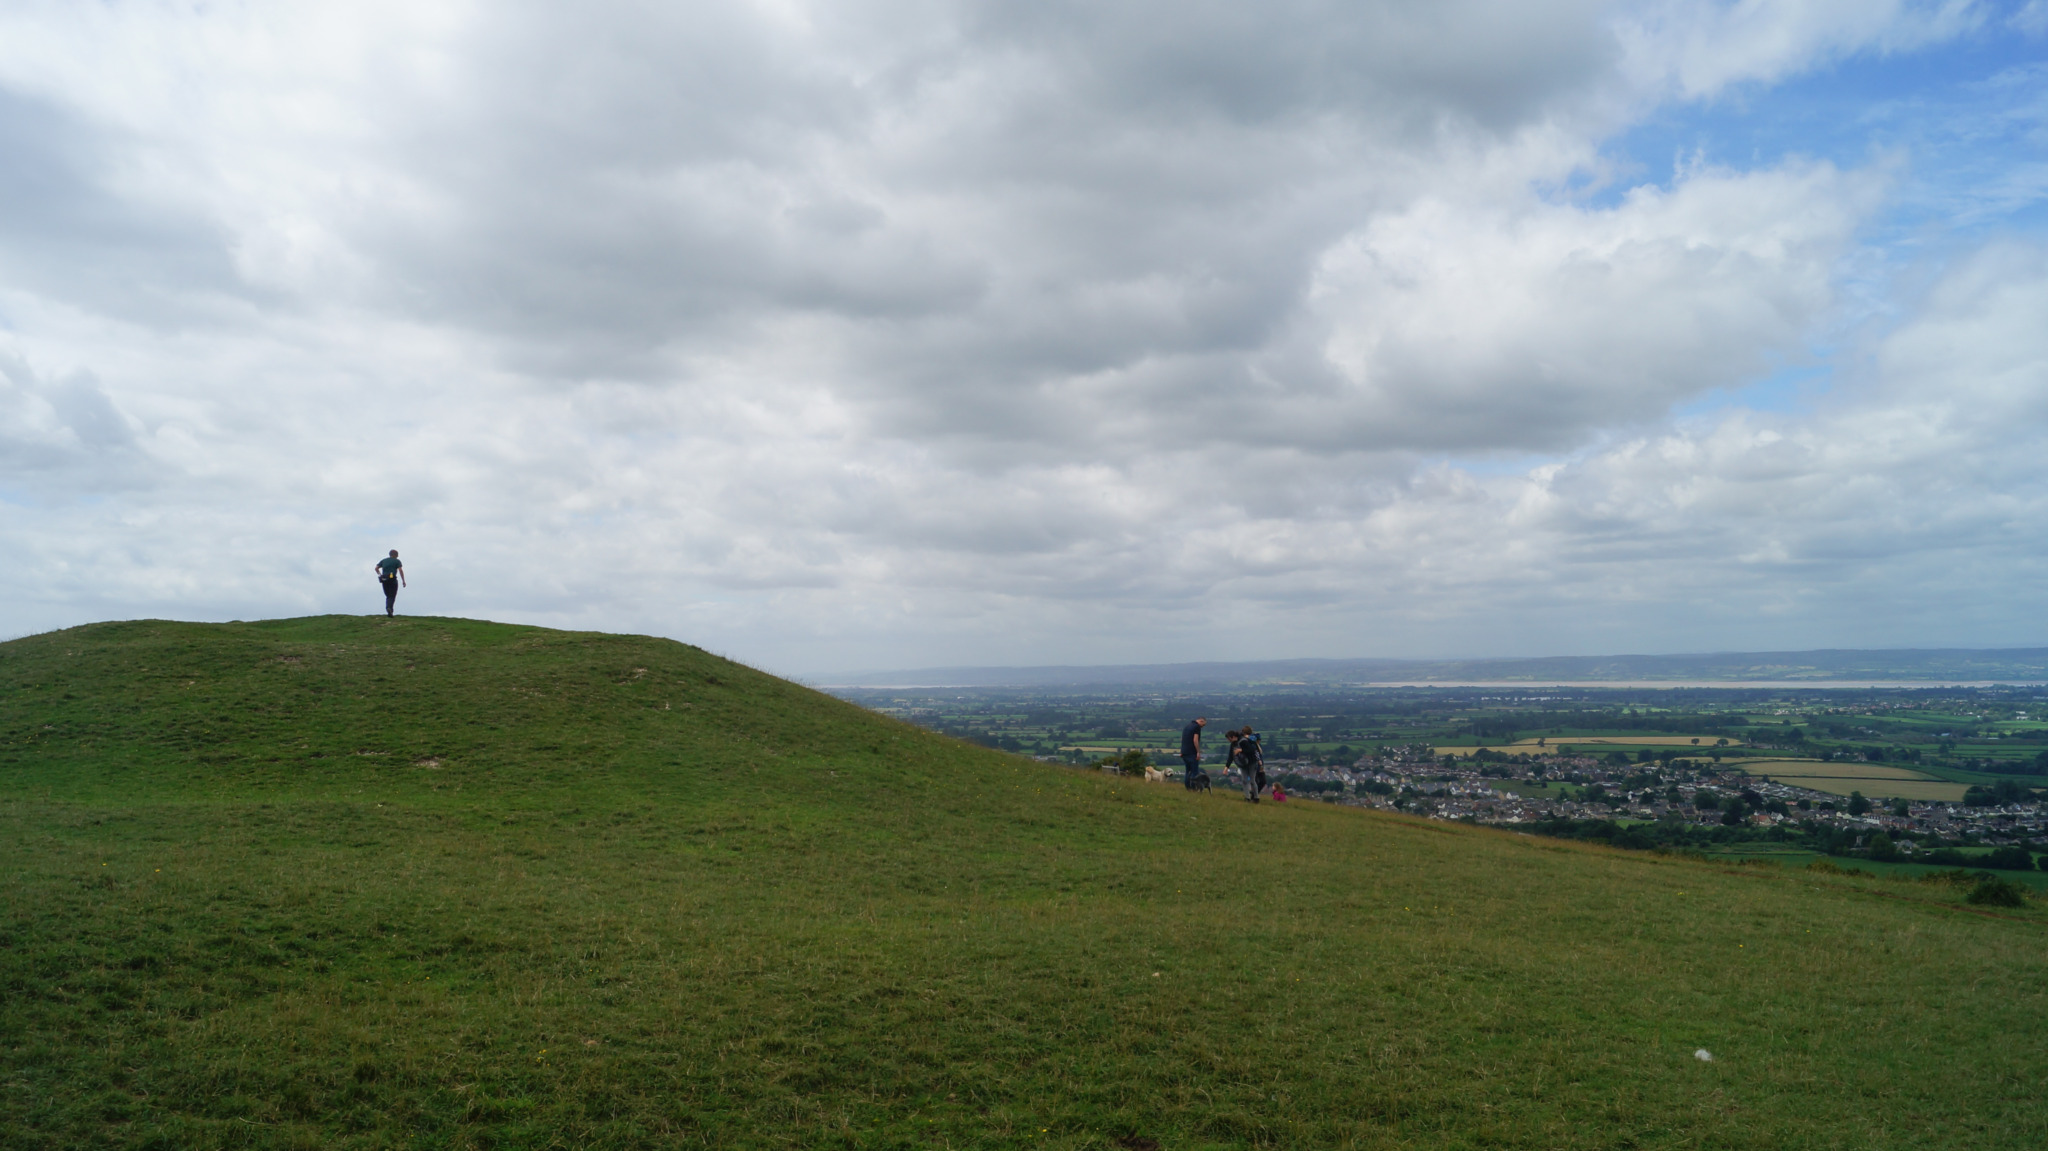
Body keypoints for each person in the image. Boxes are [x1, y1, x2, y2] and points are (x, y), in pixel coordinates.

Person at [1237, 725, 1266, 803]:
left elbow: (1250, 751)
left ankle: (1247, 797)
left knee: (1245, 780)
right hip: (1253, 762)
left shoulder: (1242, 740)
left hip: (1244, 762)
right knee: (1253, 781)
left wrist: (1240, 751)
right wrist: (1259, 760)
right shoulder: (1253, 741)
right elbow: (1256, 751)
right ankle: (1256, 797)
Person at [374, 549, 406, 616]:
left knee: (388, 595)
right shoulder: (397, 561)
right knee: (392, 595)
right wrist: (403, 581)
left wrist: (380, 575)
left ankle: (389, 609)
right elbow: (400, 570)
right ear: (395, 555)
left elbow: (376, 568)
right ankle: (389, 609)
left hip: (384, 579)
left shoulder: (384, 560)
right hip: (392, 578)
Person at [1179, 717, 1206, 789]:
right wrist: (1198, 752)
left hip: (1185, 752)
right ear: (1201, 721)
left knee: (1188, 771)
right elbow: (1195, 740)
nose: (1202, 727)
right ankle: (1194, 787)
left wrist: (1182, 751)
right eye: (1203, 725)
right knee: (1194, 772)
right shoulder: (1196, 727)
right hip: (1192, 752)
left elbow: (1182, 739)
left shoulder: (1187, 726)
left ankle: (1187, 787)